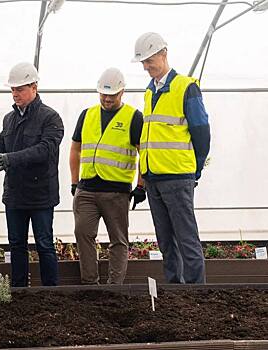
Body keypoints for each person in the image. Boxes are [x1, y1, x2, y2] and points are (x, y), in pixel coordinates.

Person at [132, 32, 211, 283]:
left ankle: (197, 292)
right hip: (154, 177)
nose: (146, 66)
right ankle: (174, 291)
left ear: (164, 53)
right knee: (165, 240)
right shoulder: (149, 92)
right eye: (143, 62)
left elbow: (202, 133)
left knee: (186, 237)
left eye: (149, 60)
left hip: (177, 177)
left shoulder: (186, 87)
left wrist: (194, 170)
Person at [0, 62, 64, 287]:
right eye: (12, 90)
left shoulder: (51, 118)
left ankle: (51, 292)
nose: (15, 94)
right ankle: (19, 291)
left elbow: (45, 150)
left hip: (41, 194)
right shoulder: (9, 119)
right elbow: (2, 143)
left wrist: (10, 159)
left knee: (44, 244)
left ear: (34, 87)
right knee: (16, 244)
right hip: (14, 194)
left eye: (19, 89)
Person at [69, 67, 145, 285]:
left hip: (117, 193)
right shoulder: (87, 115)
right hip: (87, 190)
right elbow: (75, 149)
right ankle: (90, 284)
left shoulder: (133, 117)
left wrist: (141, 185)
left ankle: (115, 287)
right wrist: (74, 182)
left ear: (122, 92)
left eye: (111, 94)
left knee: (118, 240)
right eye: (103, 93)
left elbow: (144, 154)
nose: (106, 98)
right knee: (83, 234)